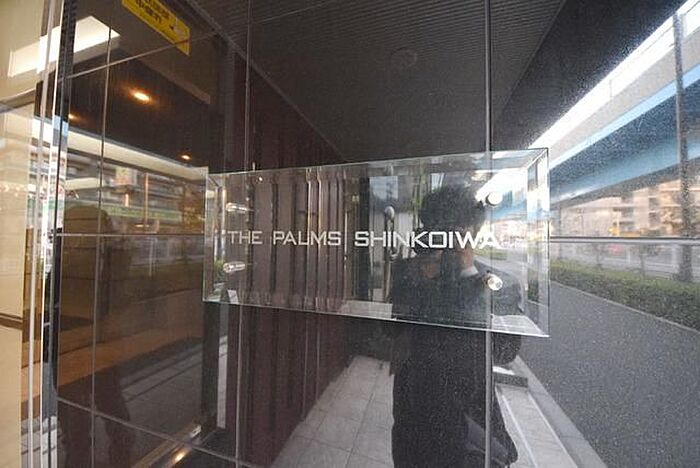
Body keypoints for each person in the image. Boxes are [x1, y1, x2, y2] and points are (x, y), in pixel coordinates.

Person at [388, 185, 521, 467]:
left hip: (470, 418)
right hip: (412, 410)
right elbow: (387, 333)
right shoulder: (407, 271)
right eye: (438, 228)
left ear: (474, 232)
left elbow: (505, 350)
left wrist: (469, 273)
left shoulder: (497, 283)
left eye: (456, 231)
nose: (447, 238)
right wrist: (422, 277)